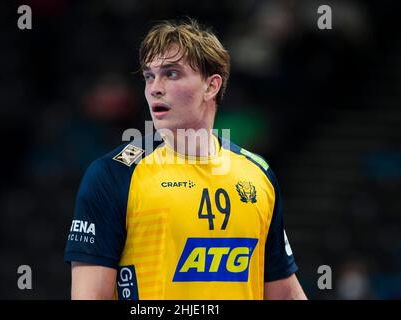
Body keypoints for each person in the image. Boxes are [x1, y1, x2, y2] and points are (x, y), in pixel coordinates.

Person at [64, 18, 307, 300]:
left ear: (211, 86)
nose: (154, 87)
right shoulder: (114, 175)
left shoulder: (257, 174)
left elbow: (284, 294)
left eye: (171, 74)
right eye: (149, 76)